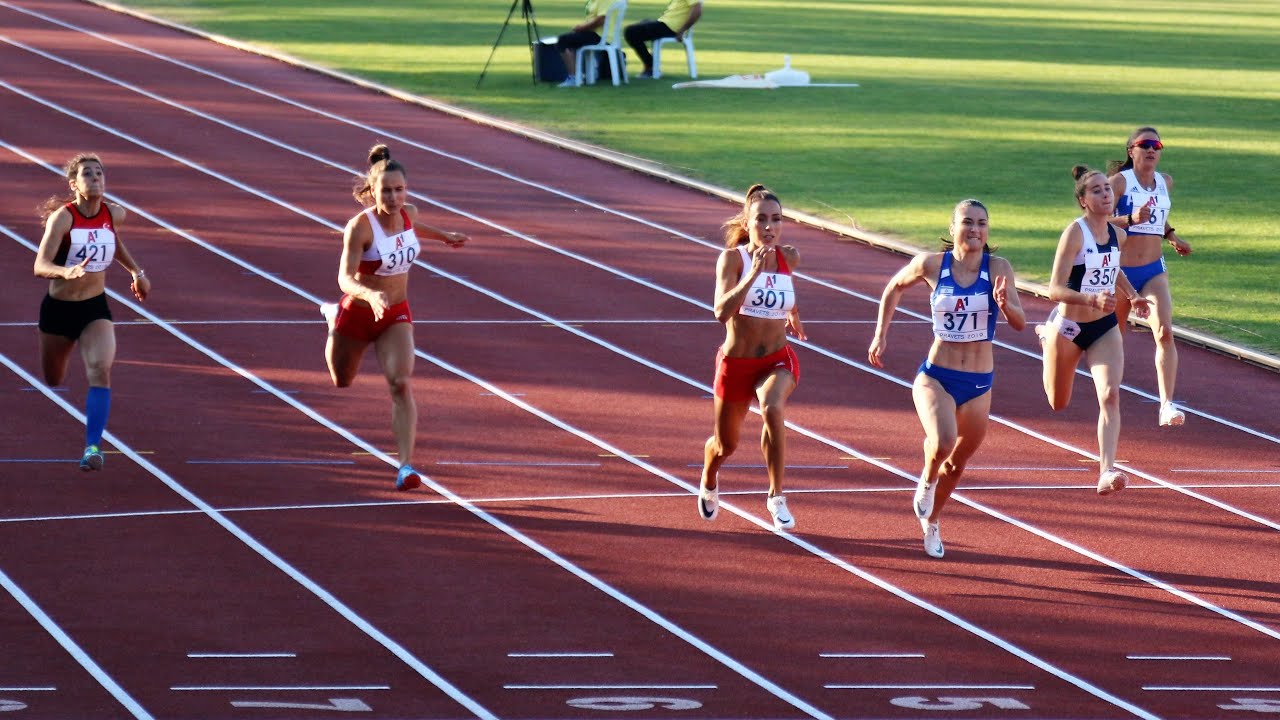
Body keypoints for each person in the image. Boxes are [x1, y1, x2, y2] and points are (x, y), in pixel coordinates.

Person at [868, 200, 1025, 558]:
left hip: (979, 382)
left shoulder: (999, 268)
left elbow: (1019, 323)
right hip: (936, 375)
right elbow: (894, 287)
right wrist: (881, 334)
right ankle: (925, 479)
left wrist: (1005, 304)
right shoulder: (931, 265)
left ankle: (933, 521)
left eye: (982, 224)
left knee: (957, 463)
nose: (975, 229)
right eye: (967, 222)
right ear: (952, 228)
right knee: (942, 441)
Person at [321, 145, 468, 491]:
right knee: (341, 381)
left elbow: (414, 226)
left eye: (400, 189)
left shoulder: (408, 213)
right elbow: (344, 278)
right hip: (357, 315)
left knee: (400, 383)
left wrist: (445, 236)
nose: (394, 196)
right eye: (386, 190)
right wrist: (370, 294)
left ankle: (405, 466)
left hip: (396, 313)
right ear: (372, 192)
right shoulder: (360, 227)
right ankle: (331, 318)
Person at [1036, 165, 1151, 497]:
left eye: (1108, 189)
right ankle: (1047, 340)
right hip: (1069, 327)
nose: (1106, 194)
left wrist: (1133, 296)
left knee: (1110, 395)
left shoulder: (1118, 235)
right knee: (1058, 402)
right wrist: (1090, 297)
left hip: (1104, 327)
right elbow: (1054, 289)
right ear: (1083, 200)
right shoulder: (1074, 233)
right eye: (1098, 190)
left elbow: (1113, 270)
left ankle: (1107, 469)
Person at [32, 153, 151, 471]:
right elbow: (39, 265)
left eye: (99, 173)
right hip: (59, 310)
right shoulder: (64, 218)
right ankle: (63, 354)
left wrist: (136, 272)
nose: (95, 178)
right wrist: (64, 272)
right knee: (53, 378)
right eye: (87, 173)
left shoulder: (115, 213)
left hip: (94, 307)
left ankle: (92, 447)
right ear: (74, 184)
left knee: (100, 369)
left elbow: (114, 240)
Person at [697, 184, 805, 531]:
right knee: (725, 445)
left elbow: (784, 292)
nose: (770, 227)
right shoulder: (732, 259)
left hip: (777, 359)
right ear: (748, 222)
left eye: (777, 219)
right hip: (736, 364)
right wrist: (753, 275)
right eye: (762, 220)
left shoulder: (790, 257)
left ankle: (776, 496)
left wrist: (794, 313)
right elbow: (719, 311)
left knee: (773, 407)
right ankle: (710, 473)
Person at [1107, 126, 1192, 427]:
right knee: (1113, 339)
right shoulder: (1118, 182)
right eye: (1145, 145)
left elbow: (1160, 214)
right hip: (1120, 271)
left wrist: (1172, 236)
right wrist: (1130, 218)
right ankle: (1108, 395)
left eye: (1157, 145)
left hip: (1154, 269)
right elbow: (1095, 220)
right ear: (1131, 151)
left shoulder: (1165, 182)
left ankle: (1166, 404)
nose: (1152, 150)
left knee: (1165, 332)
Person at [624, 0, 703, 79]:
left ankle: (650, 66)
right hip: (665, 24)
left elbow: (697, 10)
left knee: (631, 32)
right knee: (644, 22)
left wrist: (682, 30)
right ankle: (652, 65)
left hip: (671, 28)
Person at [552, 0, 610, 88]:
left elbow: (601, 20)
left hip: (599, 35)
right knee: (571, 39)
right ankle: (582, 73)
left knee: (563, 41)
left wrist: (582, 27)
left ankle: (574, 78)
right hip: (598, 34)